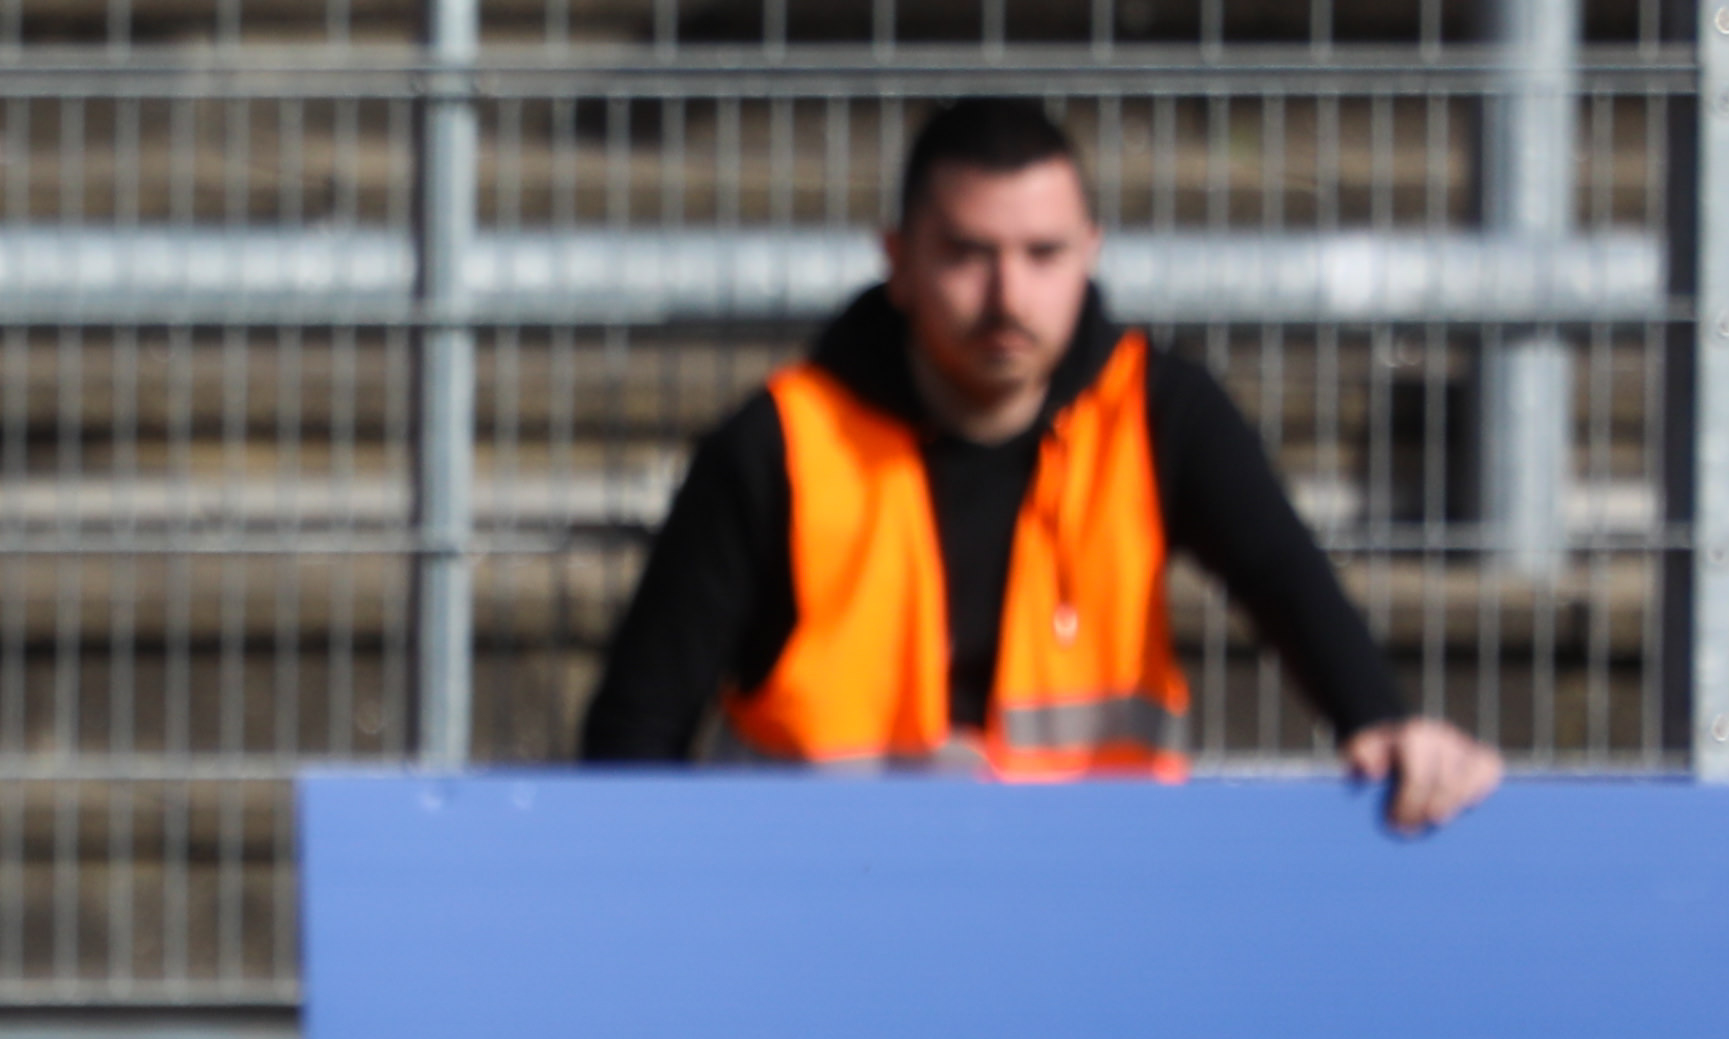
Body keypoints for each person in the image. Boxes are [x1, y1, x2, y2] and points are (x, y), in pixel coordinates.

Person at [576, 96, 1503, 831]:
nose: (1007, 296)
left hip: (1094, 904)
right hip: (823, 913)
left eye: (1043, 254)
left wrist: (1388, 726)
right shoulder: (779, 445)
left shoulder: (1159, 413)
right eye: (966, 255)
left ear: (1091, 251)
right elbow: (631, 739)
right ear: (898, 259)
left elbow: (1288, 582)